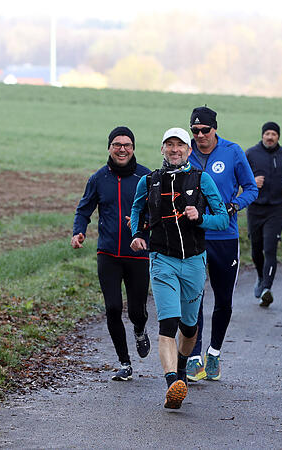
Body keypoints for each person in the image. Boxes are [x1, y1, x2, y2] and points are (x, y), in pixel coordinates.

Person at [129, 127, 229, 409]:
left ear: (189, 150)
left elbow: (222, 219)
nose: (174, 150)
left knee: (189, 327)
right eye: (169, 145)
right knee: (168, 323)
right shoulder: (149, 181)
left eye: (180, 145)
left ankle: (182, 367)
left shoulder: (201, 179)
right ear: (162, 149)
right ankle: (172, 382)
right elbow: (137, 210)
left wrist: (200, 218)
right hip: (162, 260)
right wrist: (137, 235)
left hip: (195, 262)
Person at [72, 126, 152, 381]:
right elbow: (84, 209)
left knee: (136, 311)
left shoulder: (146, 177)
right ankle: (124, 362)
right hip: (108, 253)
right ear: (109, 148)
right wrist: (78, 231)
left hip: (138, 252)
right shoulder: (99, 179)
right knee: (113, 308)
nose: (122, 149)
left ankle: (140, 330)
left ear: (133, 148)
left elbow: (157, 212)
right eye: (117, 144)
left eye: (127, 145)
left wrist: (142, 225)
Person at [185, 106, 258, 382]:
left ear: (215, 128)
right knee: (193, 299)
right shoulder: (186, 152)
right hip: (193, 237)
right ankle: (194, 357)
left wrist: (233, 206)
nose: (200, 135)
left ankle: (214, 352)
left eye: (205, 130)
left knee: (223, 300)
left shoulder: (233, 152)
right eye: (196, 131)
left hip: (224, 237)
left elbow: (251, 188)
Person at [245, 121, 282, 307]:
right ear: (262, 135)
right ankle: (261, 277)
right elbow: (239, 175)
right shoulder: (251, 154)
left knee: (270, 249)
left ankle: (267, 289)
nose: (270, 137)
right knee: (256, 249)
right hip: (255, 208)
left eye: (273, 134)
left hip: (276, 209)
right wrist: (252, 181)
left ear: (278, 137)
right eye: (267, 133)